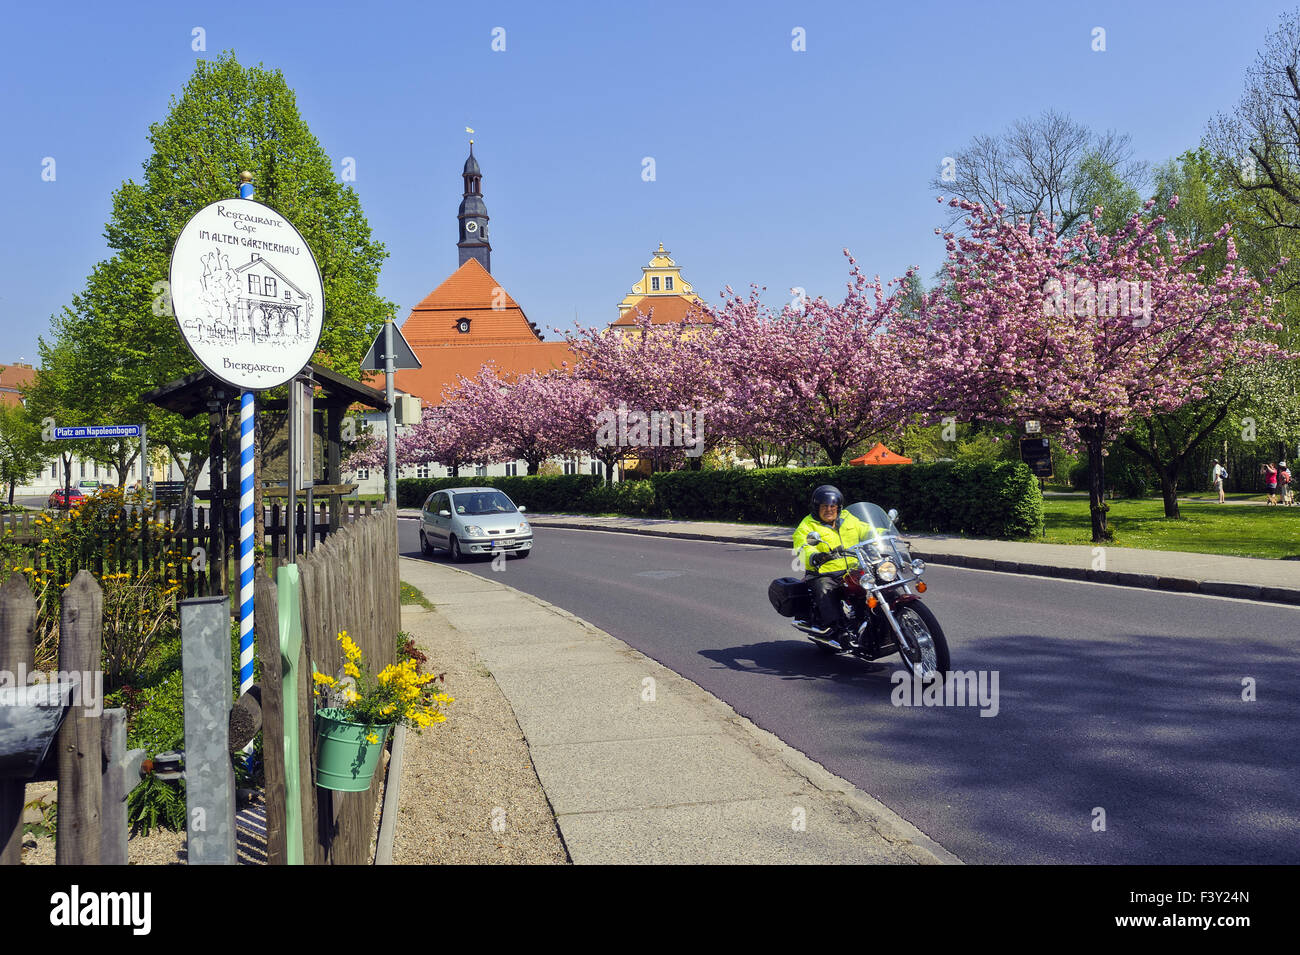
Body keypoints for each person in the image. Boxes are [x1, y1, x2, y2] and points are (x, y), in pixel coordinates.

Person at [793, 485, 867, 647]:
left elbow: (867, 530)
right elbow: (802, 546)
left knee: (879, 580)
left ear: (838, 507)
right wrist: (814, 556)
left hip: (852, 569)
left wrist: (884, 534)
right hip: (824, 572)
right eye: (824, 506)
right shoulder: (808, 525)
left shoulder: (849, 518)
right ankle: (836, 630)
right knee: (825, 588)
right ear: (816, 508)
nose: (829, 509)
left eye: (832, 506)